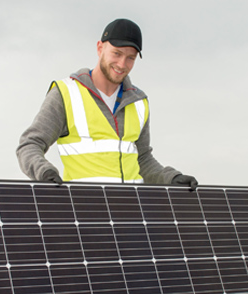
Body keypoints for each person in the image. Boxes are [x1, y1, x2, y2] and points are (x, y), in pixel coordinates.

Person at [17, 18, 198, 189]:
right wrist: (44, 172)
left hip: (132, 210)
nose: (122, 64)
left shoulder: (139, 102)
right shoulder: (66, 94)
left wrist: (171, 177)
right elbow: (29, 144)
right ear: (100, 48)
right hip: (86, 211)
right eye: (116, 53)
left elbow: (142, 159)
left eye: (131, 58)